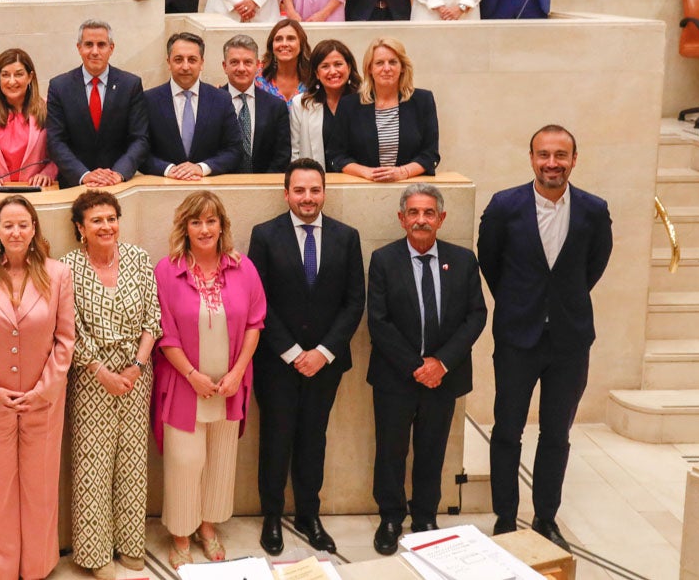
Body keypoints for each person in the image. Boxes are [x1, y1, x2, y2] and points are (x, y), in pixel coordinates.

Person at [479, 126, 611, 551]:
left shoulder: (593, 210)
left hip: (570, 341)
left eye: (561, 155)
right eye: (543, 154)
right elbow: (491, 263)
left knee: (557, 433)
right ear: (531, 157)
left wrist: (559, 304)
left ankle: (545, 517)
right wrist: (523, 303)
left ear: (575, 159)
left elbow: (594, 266)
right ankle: (504, 518)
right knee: (507, 430)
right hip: (518, 337)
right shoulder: (504, 206)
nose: (551, 163)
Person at [247, 159, 365, 555]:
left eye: (314, 190)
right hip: (278, 362)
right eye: (299, 190)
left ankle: (308, 514)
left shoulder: (347, 237)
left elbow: (354, 302)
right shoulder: (264, 236)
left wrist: (323, 353)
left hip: (326, 363)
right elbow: (258, 301)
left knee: (313, 438)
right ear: (286, 194)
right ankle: (272, 516)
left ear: (324, 192)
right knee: (276, 439)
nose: (307, 197)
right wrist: (296, 353)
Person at [0, 196, 75, 580]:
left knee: (40, 488)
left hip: (44, 401)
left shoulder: (58, 275)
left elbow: (64, 340)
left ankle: (38, 565)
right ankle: (2, 566)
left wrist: (44, 389)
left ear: (34, 228)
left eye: (23, 224)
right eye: (8, 225)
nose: (16, 232)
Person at [366, 185, 486, 555]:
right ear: (402, 219)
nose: (421, 220)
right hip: (395, 376)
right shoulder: (384, 260)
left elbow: (476, 316)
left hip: (444, 377)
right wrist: (416, 366)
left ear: (441, 218)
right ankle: (390, 517)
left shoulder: (464, 260)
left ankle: (424, 518)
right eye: (414, 213)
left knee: (432, 449)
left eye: (429, 213)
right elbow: (378, 321)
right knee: (391, 450)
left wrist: (441, 363)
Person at [152, 191, 265, 568]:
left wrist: (236, 373)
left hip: (229, 388)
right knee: (185, 462)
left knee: (220, 461)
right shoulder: (167, 270)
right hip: (185, 386)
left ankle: (207, 527)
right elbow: (164, 333)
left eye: (211, 221)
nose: (204, 229)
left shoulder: (242, 267)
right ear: (184, 227)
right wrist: (192, 375)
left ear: (222, 225)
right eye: (196, 221)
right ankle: (181, 534)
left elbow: (254, 323)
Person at [60, 192, 160, 579]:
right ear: (80, 229)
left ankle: (131, 544)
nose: (106, 226)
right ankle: (95, 552)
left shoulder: (138, 258)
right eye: (96, 220)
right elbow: (68, 327)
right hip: (89, 376)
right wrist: (100, 370)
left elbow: (153, 316)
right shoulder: (66, 268)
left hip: (137, 372)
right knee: (93, 465)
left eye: (111, 218)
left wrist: (136, 365)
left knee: (134, 461)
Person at [46, 19, 150, 188]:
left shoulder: (130, 85)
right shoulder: (59, 87)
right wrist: (84, 175)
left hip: (117, 185)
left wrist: (118, 173)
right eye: (88, 44)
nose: (95, 51)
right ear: (79, 48)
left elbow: (140, 139)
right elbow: (55, 141)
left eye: (101, 45)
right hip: (74, 185)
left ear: (111, 48)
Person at [327, 36, 440, 181]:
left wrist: (402, 172)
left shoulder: (423, 100)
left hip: (411, 188)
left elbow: (430, 154)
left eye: (393, 62)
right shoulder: (349, 105)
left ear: (402, 67)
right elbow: (336, 155)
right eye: (379, 63)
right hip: (363, 188)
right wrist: (366, 172)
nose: (387, 68)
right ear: (369, 68)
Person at [143, 32, 243, 180]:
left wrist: (202, 168)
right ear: (168, 62)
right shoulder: (148, 100)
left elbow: (234, 150)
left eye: (192, 60)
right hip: (163, 187)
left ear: (201, 63)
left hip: (208, 188)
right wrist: (168, 169)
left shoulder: (221, 99)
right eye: (178, 59)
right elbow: (140, 150)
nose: (185, 66)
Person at [0, 48, 59, 188]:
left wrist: (48, 173)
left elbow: (61, 149)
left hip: (37, 191)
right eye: (5, 75)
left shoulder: (49, 108)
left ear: (30, 77)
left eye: (19, 74)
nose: (11, 81)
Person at [220, 35, 290, 173]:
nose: (241, 68)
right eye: (234, 62)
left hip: (265, 184)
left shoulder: (276, 106)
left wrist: (263, 185)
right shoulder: (212, 102)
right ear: (225, 66)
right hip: (221, 183)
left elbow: (282, 155)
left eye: (247, 62)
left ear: (258, 66)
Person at [289, 39, 362, 165]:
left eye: (338, 64)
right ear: (317, 73)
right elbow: (295, 152)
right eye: (325, 66)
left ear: (349, 68)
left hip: (357, 179)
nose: (333, 71)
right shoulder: (300, 103)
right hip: (315, 180)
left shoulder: (366, 100)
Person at [256, 18, 311, 102]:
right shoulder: (257, 77)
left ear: (301, 44)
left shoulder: (313, 77)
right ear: (272, 46)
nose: (284, 44)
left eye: (291, 38)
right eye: (278, 39)